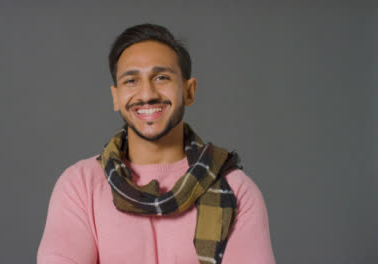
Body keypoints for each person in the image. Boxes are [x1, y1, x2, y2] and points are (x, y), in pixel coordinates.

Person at [37, 23, 275, 264]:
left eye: (161, 77)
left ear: (189, 91)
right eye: (131, 81)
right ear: (116, 97)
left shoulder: (236, 191)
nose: (147, 93)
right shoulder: (80, 186)